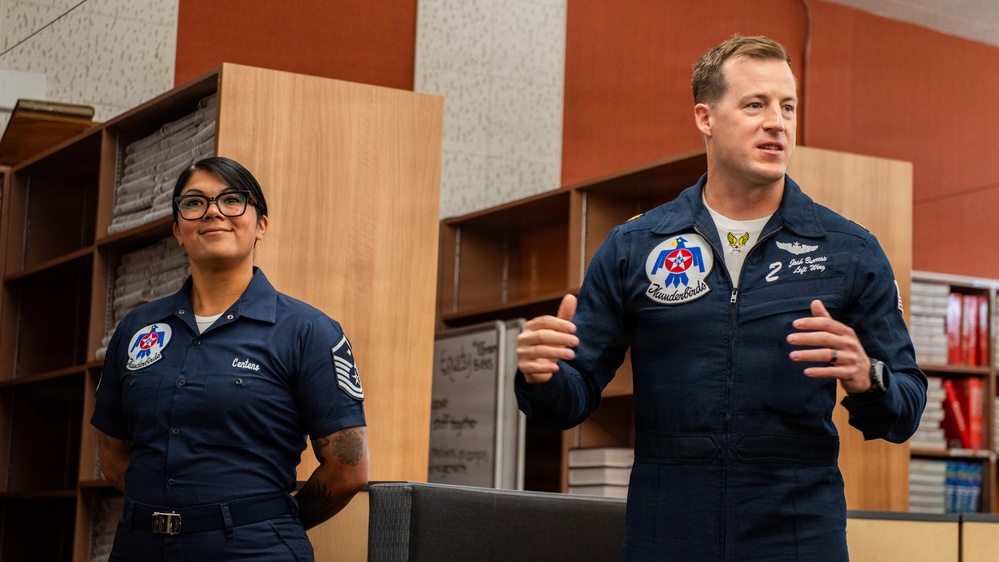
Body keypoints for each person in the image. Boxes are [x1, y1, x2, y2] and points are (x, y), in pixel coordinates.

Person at [515, 35, 926, 561]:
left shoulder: (848, 249)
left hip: (797, 532)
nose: (777, 121)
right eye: (755, 104)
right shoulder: (635, 245)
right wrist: (540, 375)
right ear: (705, 118)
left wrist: (870, 378)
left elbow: (906, 407)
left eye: (788, 106)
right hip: (668, 530)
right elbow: (572, 401)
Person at [91, 156, 369, 561]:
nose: (213, 212)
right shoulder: (137, 327)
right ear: (177, 230)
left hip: (254, 550)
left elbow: (348, 469)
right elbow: (113, 456)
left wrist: (266, 520)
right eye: (194, 203)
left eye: (232, 200)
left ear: (261, 225)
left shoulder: (307, 330)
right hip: (140, 547)